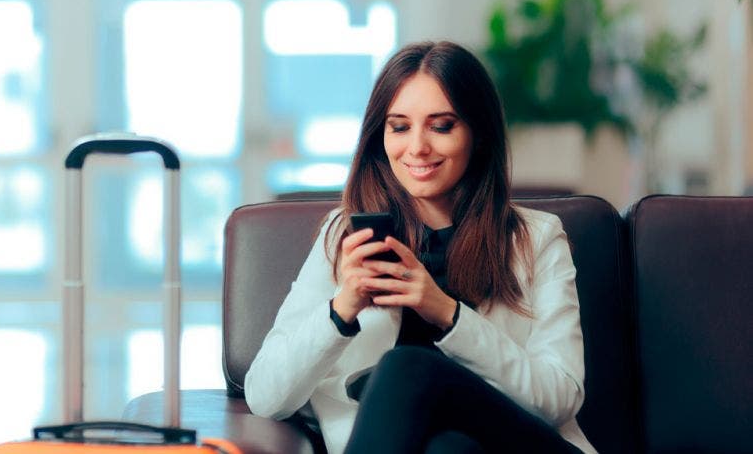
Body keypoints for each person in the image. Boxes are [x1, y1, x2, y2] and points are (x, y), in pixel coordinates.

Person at [244, 41, 595, 454]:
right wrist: (342, 308)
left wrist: (446, 314)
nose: (417, 148)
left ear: (477, 134)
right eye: (399, 126)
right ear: (381, 136)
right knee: (448, 449)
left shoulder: (535, 238)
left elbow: (559, 398)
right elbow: (265, 396)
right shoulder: (343, 239)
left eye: (441, 126)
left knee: (406, 368)